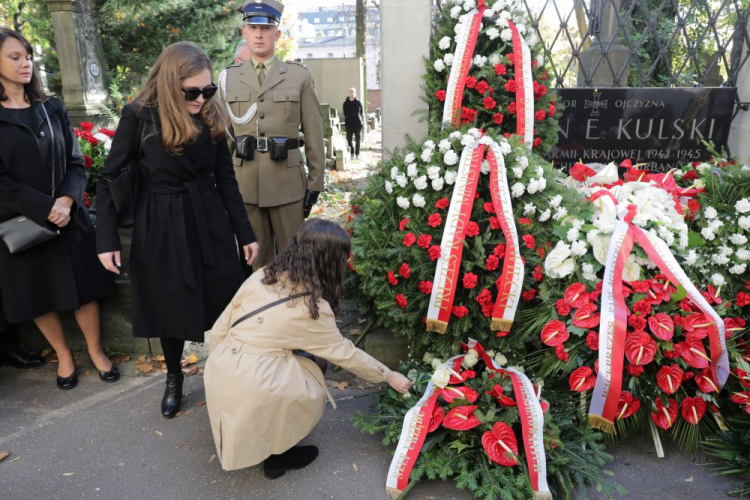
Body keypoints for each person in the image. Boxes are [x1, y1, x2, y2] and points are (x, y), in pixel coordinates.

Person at [96, 42, 259, 418]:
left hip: (208, 219)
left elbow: (226, 180)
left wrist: (244, 233)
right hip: (160, 223)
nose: (202, 98)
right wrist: (105, 239)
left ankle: (228, 377)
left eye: (208, 90)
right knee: (169, 305)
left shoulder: (213, 114)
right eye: (192, 92)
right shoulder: (138, 116)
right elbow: (110, 179)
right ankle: (174, 377)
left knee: (224, 303)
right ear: (170, 84)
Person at [204, 219, 412, 476]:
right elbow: (346, 354)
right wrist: (390, 376)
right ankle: (279, 454)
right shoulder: (311, 308)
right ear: (329, 263)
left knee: (288, 362)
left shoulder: (263, 275)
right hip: (254, 380)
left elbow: (220, 327)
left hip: (221, 366)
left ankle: (259, 421)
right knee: (315, 365)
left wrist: (220, 370)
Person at [0, 28, 118, 390]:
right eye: (15, 57)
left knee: (82, 290)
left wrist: (66, 201)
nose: (26, 63)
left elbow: (76, 162)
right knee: (38, 296)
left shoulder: (50, 108)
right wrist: (45, 207)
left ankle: (96, 352)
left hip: (69, 217)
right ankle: (64, 356)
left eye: (27, 56)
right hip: (22, 222)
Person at [218, 0, 326, 271]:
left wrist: (315, 183)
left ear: (277, 34)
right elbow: (224, 139)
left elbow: (314, 131)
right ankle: (259, 313)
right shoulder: (228, 79)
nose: (258, 34)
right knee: (256, 264)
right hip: (245, 184)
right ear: (243, 32)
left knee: (295, 261)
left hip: (287, 184)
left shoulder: (298, 75)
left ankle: (296, 312)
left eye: (265, 28)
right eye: (252, 27)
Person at [342, 87, 363, 160]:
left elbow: (361, 113)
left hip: (357, 124)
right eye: (350, 92)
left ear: (355, 93)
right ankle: (351, 153)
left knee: (358, 139)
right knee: (349, 139)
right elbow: (345, 113)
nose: (351, 93)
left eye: (353, 92)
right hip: (349, 124)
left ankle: (357, 154)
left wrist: (359, 119)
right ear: (348, 93)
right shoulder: (345, 103)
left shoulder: (358, 102)